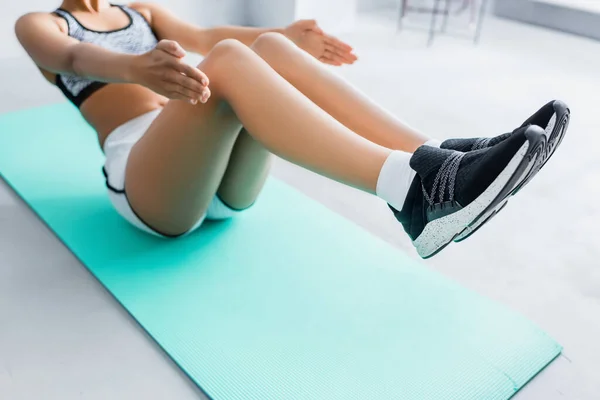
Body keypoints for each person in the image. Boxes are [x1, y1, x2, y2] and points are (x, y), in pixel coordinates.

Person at [15, 0, 569, 259]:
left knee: (265, 47)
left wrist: (285, 33)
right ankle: (412, 194)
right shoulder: (40, 24)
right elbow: (73, 56)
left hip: (220, 180)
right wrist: (138, 68)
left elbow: (206, 32)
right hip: (150, 183)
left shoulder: (140, 11)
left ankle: (436, 159)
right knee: (232, 60)